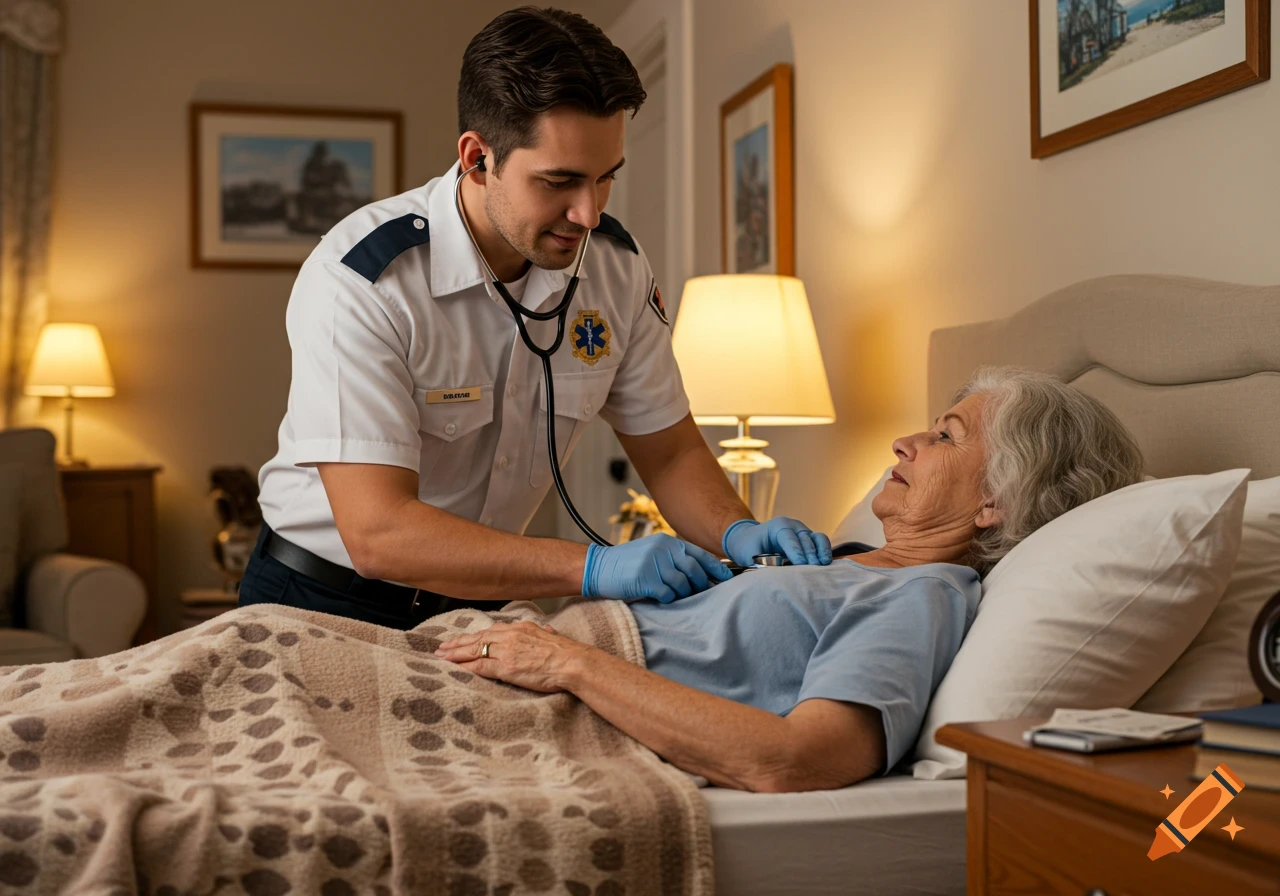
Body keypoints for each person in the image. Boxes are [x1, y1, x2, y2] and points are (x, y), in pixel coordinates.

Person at [240, 7, 833, 629]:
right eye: (560, 181)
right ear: (477, 157)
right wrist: (595, 567)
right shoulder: (365, 279)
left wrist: (739, 531)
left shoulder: (616, 270)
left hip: (480, 611)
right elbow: (378, 532)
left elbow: (670, 452)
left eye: (606, 179)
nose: (588, 212)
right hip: (321, 601)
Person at [434, 368, 1146, 791]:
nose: (907, 441)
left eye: (946, 436)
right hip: (501, 659)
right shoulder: (849, 559)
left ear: (996, 501)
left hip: (548, 695)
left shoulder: (920, 596)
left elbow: (795, 760)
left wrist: (571, 660)